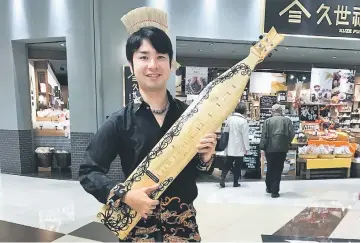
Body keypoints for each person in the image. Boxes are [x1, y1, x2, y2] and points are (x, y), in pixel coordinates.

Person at [78, 26, 217, 242]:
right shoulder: (119, 121)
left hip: (184, 228)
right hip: (138, 229)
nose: (153, 65)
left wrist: (205, 158)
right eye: (144, 57)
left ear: (171, 65)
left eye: (160, 56)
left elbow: (197, 172)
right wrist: (124, 195)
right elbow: (89, 171)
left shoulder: (190, 116)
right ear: (132, 66)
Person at [260, 104, 294, 198]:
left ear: (272, 111)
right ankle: (275, 191)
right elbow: (292, 134)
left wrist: (262, 146)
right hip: (282, 148)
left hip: (269, 149)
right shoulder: (287, 121)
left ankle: (269, 187)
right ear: (281, 111)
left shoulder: (267, 121)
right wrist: (287, 141)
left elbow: (264, 135)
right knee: (278, 169)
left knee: (270, 167)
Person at [220, 102, 250, 188]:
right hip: (239, 147)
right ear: (243, 110)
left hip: (230, 146)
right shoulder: (244, 121)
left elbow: (225, 132)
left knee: (228, 164)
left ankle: (222, 178)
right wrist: (247, 148)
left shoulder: (229, 119)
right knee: (238, 165)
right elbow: (245, 136)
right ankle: (235, 182)